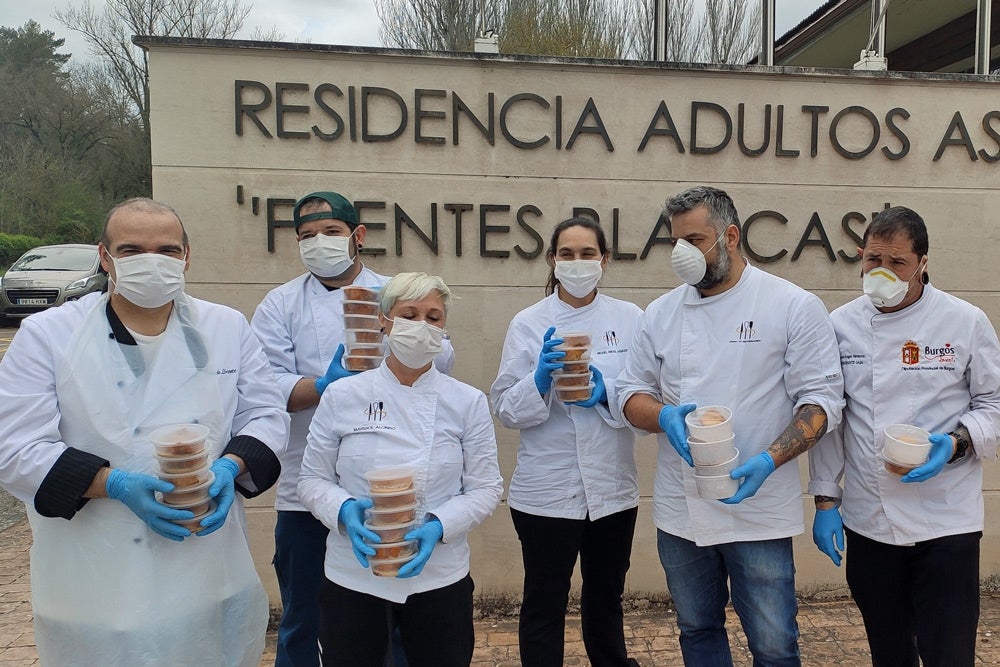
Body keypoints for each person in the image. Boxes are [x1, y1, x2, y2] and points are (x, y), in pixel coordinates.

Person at [0, 197, 290, 666]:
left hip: (207, 567)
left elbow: (266, 415)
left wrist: (229, 466)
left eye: (167, 250)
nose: (151, 261)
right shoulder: (48, 335)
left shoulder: (226, 327)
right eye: (131, 249)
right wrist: (114, 483)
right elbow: (14, 448)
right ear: (105, 256)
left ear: (186, 257)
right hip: (97, 574)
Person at [615, 186, 845, 666]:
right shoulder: (659, 314)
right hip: (682, 511)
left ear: (731, 236)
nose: (683, 254)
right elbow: (627, 393)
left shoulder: (791, 306)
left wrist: (769, 459)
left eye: (695, 240)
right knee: (697, 629)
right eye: (676, 242)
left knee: (774, 644)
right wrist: (662, 416)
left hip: (757, 507)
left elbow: (821, 402)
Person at [251, 191, 453, 667]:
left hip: (390, 488)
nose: (318, 242)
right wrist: (323, 385)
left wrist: (404, 331)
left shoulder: (396, 292)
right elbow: (263, 386)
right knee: (304, 614)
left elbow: (443, 358)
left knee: (392, 614)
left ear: (357, 236)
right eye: (306, 235)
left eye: (331, 232)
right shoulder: (280, 304)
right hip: (308, 487)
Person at [808, 206, 1000, 667]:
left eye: (897, 262)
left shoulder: (965, 321)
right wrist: (825, 501)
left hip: (947, 520)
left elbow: (994, 405)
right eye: (874, 259)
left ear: (923, 263)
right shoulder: (839, 325)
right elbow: (832, 420)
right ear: (860, 255)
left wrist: (955, 442)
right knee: (889, 651)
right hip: (871, 520)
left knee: (949, 654)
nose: (882, 272)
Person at [297, 271, 503, 667]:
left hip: (440, 575)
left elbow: (486, 487)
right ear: (384, 320)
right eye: (409, 314)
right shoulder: (343, 395)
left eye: (433, 317)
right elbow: (312, 479)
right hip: (354, 572)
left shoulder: (467, 402)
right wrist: (342, 510)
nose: (421, 326)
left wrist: (438, 525)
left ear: (444, 328)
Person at [490, 217, 643, 667]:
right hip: (545, 492)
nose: (577, 263)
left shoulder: (631, 319)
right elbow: (503, 407)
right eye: (567, 254)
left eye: (587, 254)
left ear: (605, 260)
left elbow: (647, 397)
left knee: (606, 597)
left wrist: (607, 394)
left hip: (612, 490)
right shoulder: (528, 322)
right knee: (543, 601)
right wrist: (538, 381)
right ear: (553, 261)